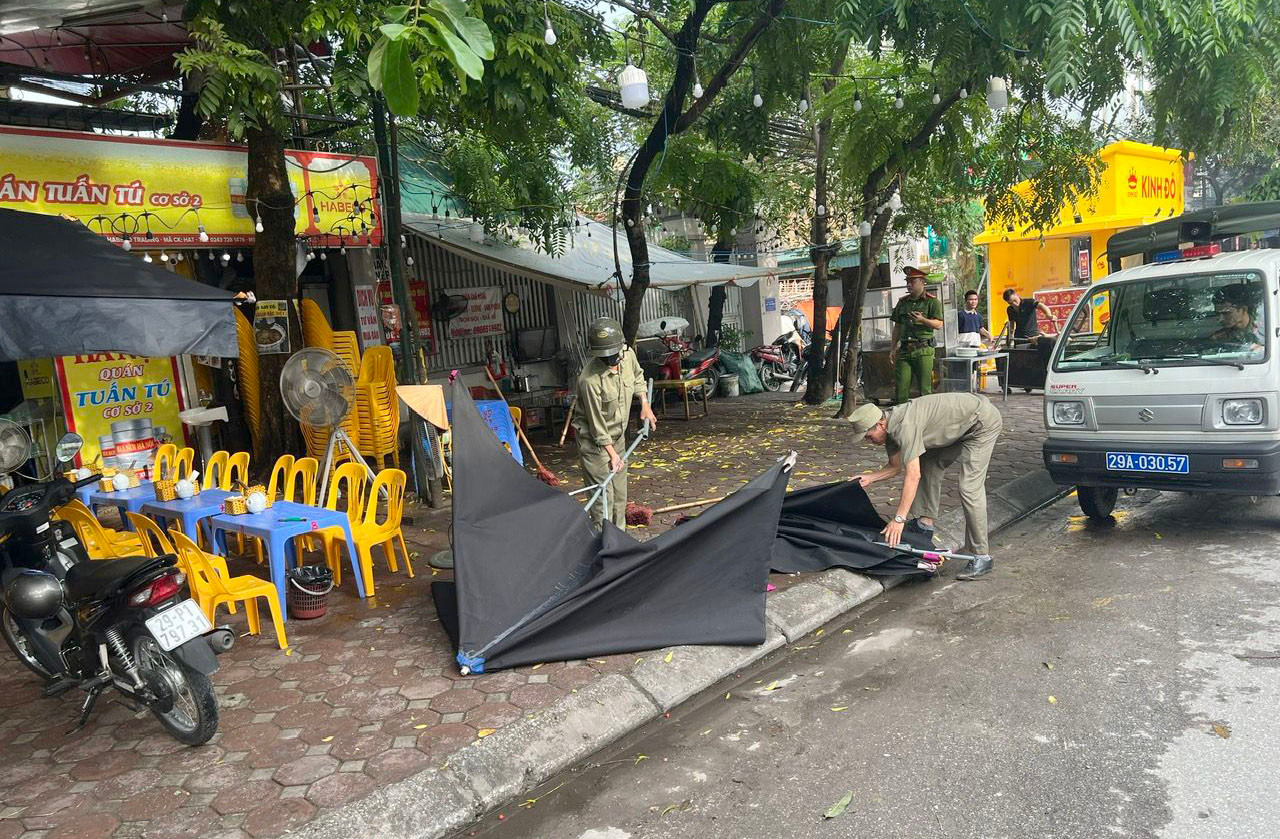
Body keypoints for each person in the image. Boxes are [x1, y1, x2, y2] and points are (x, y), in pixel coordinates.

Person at [847, 392, 1004, 580]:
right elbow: (895, 467)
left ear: (880, 425)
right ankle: (925, 525)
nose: (868, 441)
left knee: (969, 488)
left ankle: (982, 556)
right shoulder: (889, 426)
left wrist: (898, 520)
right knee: (929, 462)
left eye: (868, 435)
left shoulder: (905, 426)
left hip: (981, 423)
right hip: (959, 424)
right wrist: (870, 477)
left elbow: (913, 476)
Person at [572, 317, 658, 529]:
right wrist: (612, 455)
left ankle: (619, 543)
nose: (611, 360)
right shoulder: (589, 380)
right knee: (604, 501)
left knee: (619, 497)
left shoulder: (627, 356)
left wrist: (644, 403)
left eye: (613, 354)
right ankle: (603, 548)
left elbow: (638, 377)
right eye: (605, 357)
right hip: (595, 444)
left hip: (618, 437)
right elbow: (596, 425)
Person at [890, 267, 944, 404]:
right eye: (907, 281)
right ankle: (901, 421)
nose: (909, 284)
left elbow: (939, 324)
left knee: (925, 390)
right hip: (904, 350)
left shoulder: (932, 302)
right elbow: (897, 326)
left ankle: (927, 420)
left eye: (912, 281)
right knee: (901, 390)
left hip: (923, 350)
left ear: (922, 282)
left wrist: (922, 320)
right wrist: (892, 348)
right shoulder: (902, 303)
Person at [1209, 285, 1264, 351]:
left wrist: (1263, 349)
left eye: (1226, 313)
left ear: (1244, 310)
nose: (1220, 319)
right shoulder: (1219, 338)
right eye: (1217, 314)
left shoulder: (1266, 329)